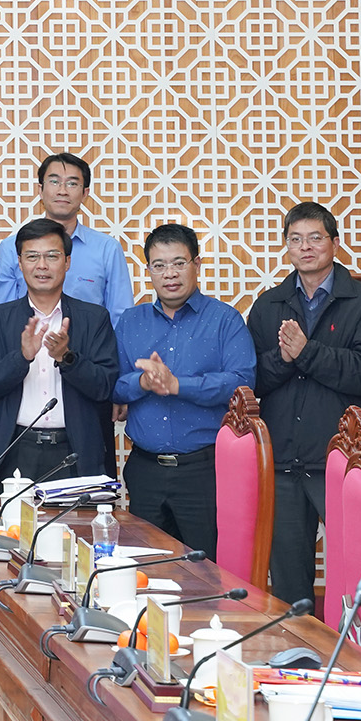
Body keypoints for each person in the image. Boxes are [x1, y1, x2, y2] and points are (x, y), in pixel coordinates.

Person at [247, 201, 361, 607]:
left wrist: (307, 353)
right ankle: (296, 646)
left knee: (355, 572)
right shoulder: (269, 305)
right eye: (296, 239)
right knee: (289, 583)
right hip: (282, 462)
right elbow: (252, 378)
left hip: (344, 462)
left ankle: (351, 646)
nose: (305, 247)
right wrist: (285, 358)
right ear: (286, 247)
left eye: (315, 238)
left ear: (335, 243)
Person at [111, 224, 255, 558]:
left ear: (197, 264)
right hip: (145, 469)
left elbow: (242, 383)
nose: (169, 274)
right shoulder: (131, 322)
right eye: (159, 265)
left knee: (207, 570)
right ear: (148, 270)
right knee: (146, 567)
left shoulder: (225, 320)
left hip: (204, 471)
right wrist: (142, 383)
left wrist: (177, 385)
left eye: (179, 263)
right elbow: (113, 385)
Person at [0, 218, 119, 484]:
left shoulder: (94, 318)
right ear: (20, 263)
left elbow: (104, 388)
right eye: (32, 256)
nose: (42, 265)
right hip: (15, 449)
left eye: (52, 256)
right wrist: (22, 357)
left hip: (75, 452)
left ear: (67, 262)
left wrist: (67, 358)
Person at [0, 153, 133, 322]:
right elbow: (3, 318)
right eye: (54, 182)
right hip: (27, 339)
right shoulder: (11, 247)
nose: (62, 191)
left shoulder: (107, 249)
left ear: (85, 193)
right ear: (40, 190)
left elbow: (121, 318)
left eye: (72, 183)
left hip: (89, 339)